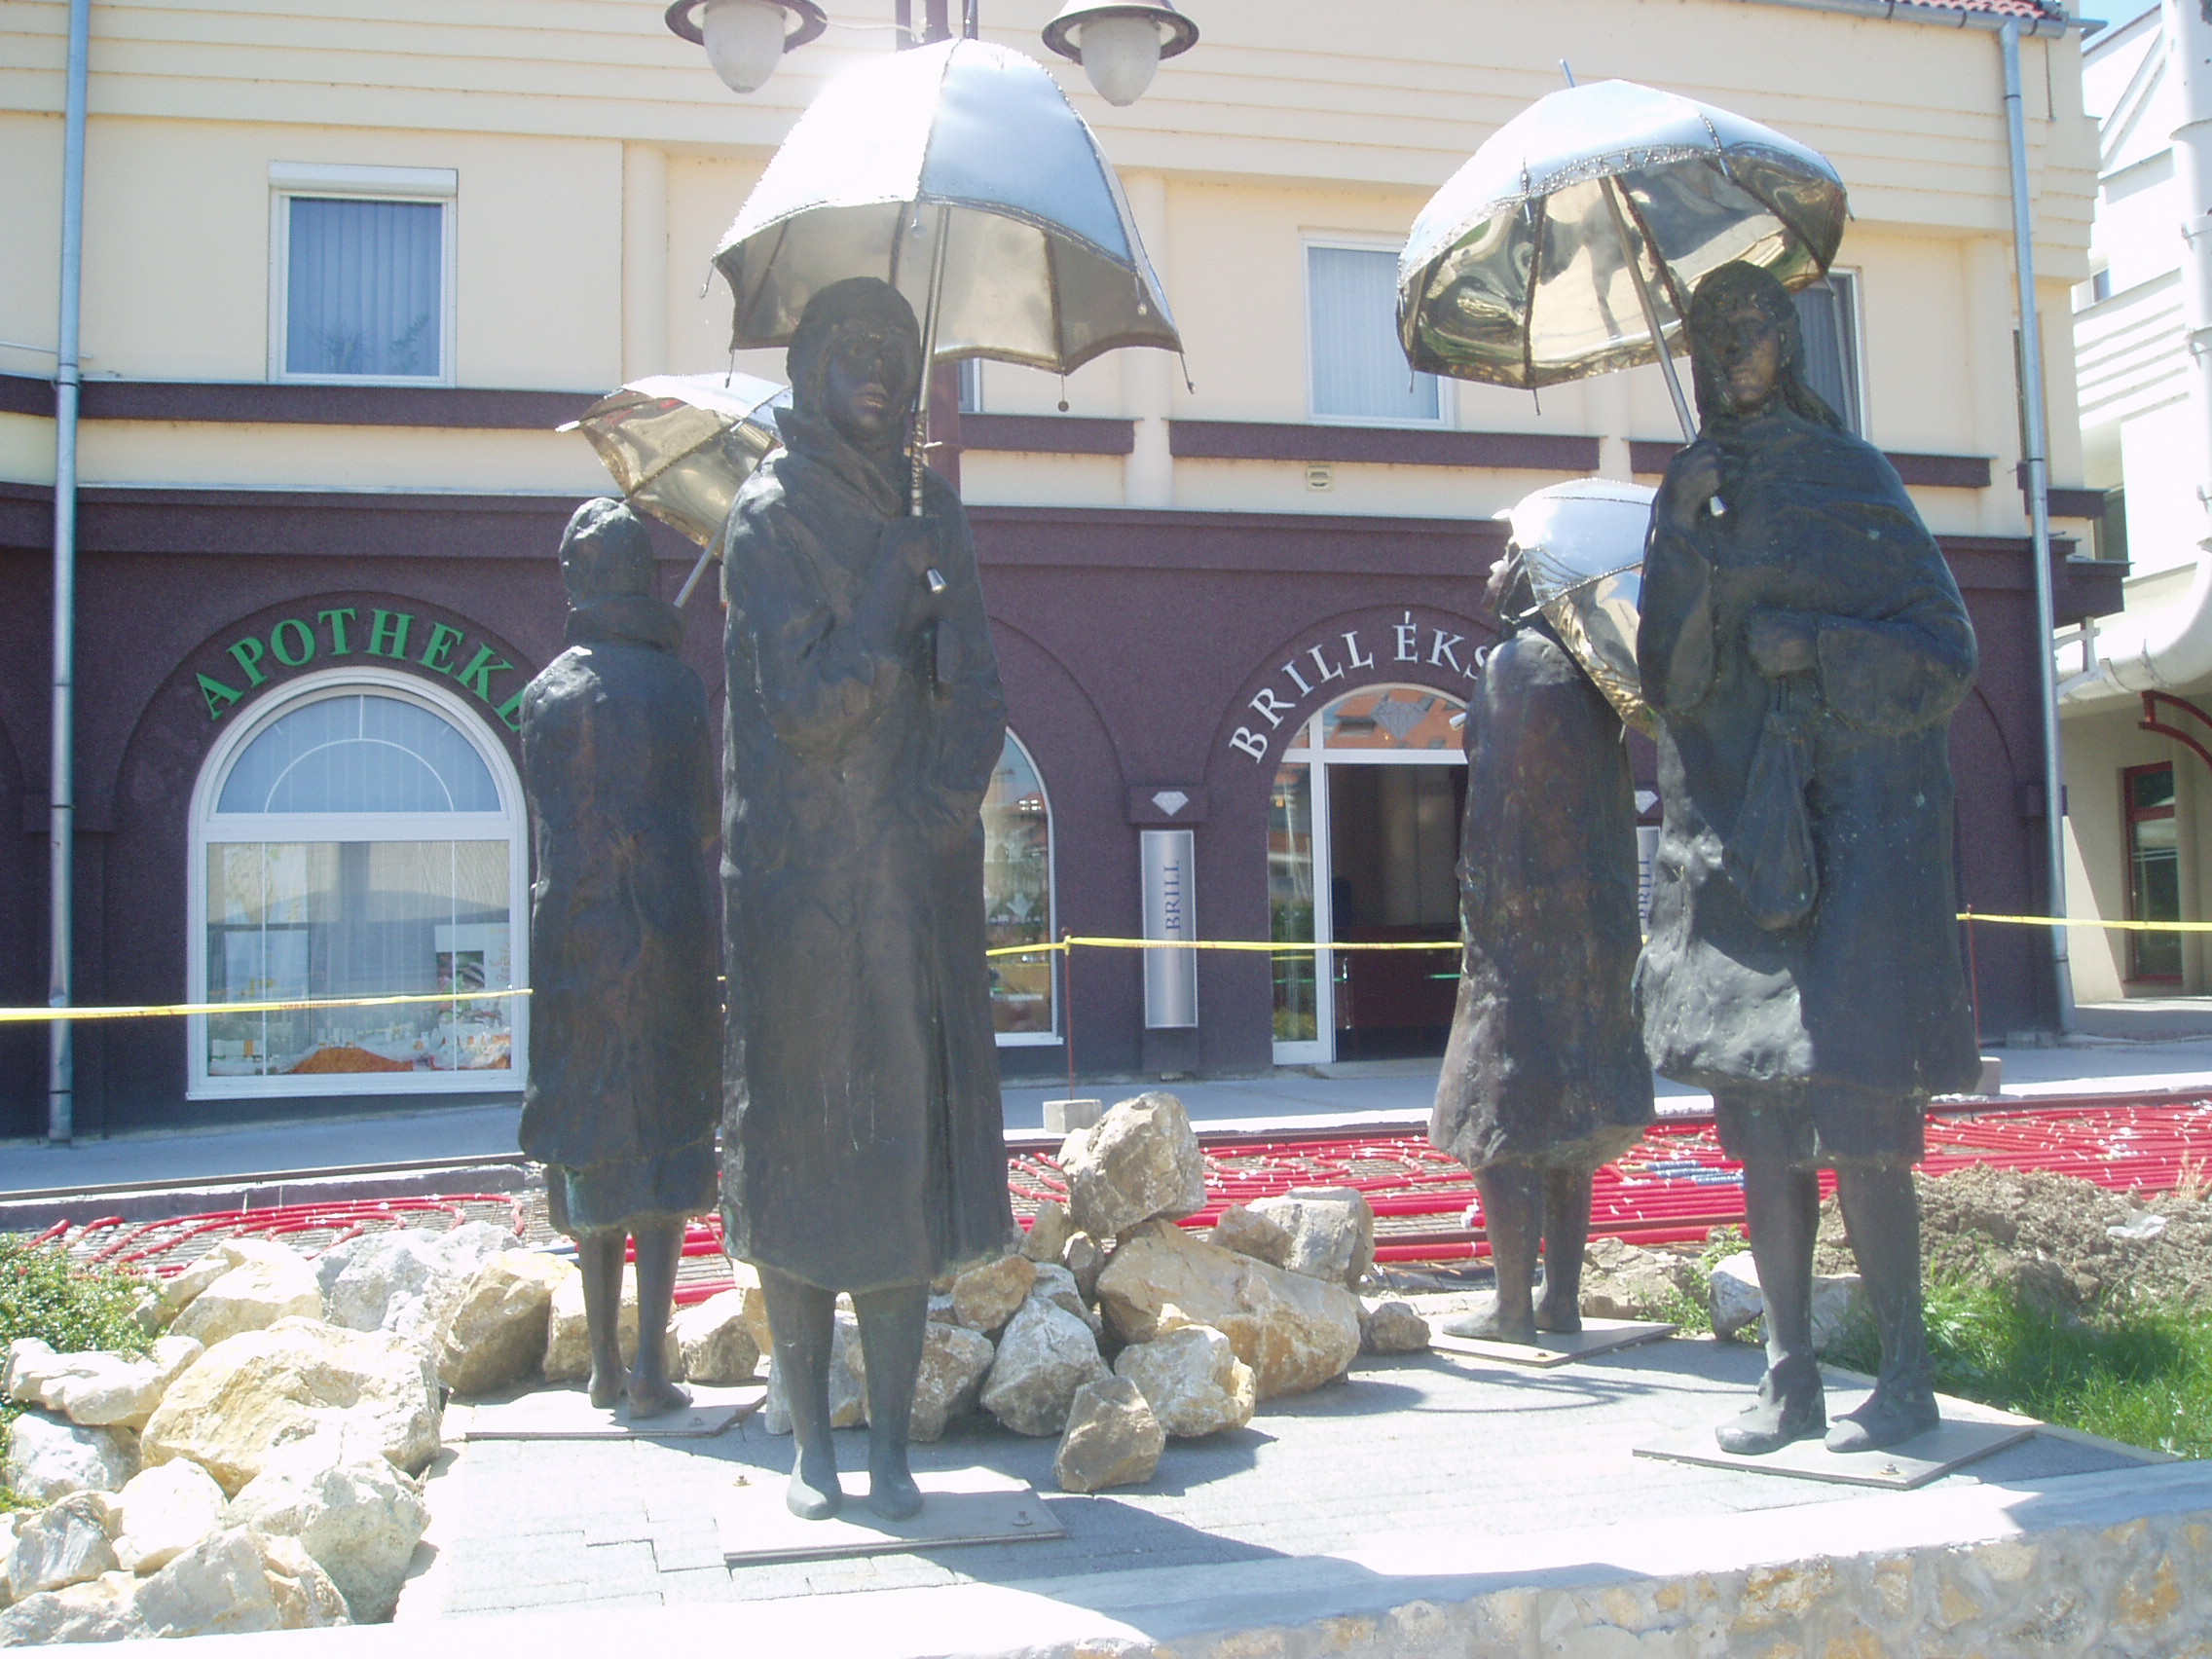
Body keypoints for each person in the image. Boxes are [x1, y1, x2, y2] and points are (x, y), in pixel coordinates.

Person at [1637, 261, 1981, 1456]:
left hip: (1856, 847)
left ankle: (1905, 1376)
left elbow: (1945, 649)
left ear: (1787, 343)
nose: (1729, 352)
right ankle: (1787, 1376)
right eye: (1709, 334)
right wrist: (1679, 540)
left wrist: (1821, 648)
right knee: (1760, 1118)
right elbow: (1666, 680)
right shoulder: (1690, 489)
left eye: (1748, 330)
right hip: (1735, 845)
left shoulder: (1853, 476)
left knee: (1863, 1115)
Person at [719, 276, 1014, 1522]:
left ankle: (891, 1451)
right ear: (806, 373)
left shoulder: (932, 510)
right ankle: (811, 1448)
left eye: (894, 350)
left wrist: (939, 806)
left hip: (904, 882)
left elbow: (981, 691)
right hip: (795, 887)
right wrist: (894, 587)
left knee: (895, 1156)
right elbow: (807, 708)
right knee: (802, 1150)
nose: (879, 370)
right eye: (851, 350)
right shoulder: (770, 514)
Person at [518, 497, 719, 1419]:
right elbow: (705, 818)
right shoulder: (678, 690)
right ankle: (647, 1368)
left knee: (590, 1143)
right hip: (667, 940)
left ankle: (602, 1365)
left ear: (575, 579)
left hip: (575, 946)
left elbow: (552, 824)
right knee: (667, 1149)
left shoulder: (545, 694)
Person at [1429, 549, 1653, 1346]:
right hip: (1593, 935)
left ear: (1532, 581)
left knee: (1498, 1117)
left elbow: (1498, 809)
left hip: (1520, 935)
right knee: (1571, 1129)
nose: (1489, 571)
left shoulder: (1515, 661)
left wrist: (1482, 912)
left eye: (1505, 559)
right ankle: (1561, 1299)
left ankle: (1512, 1309)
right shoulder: (1593, 673)